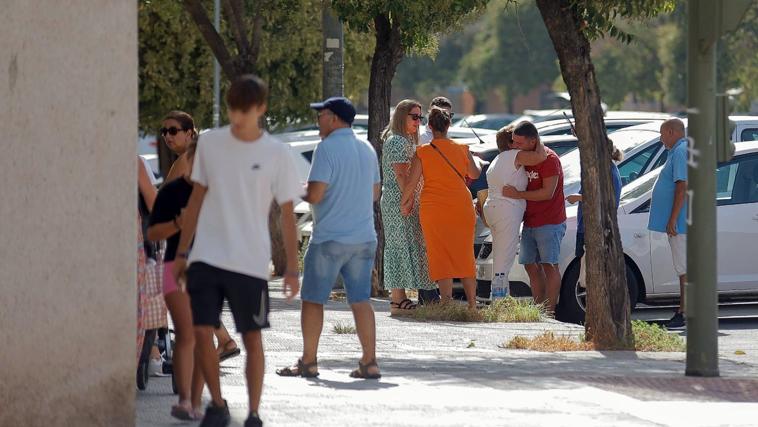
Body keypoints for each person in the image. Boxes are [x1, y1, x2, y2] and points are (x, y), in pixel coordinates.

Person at [173, 74, 302, 427]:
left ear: (260, 109)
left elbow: (288, 215)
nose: (237, 116)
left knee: (252, 338)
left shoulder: (276, 153)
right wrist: (182, 254)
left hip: (250, 262)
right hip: (206, 257)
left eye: (244, 110)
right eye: (233, 109)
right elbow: (197, 198)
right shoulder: (211, 144)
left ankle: (255, 412)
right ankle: (216, 403)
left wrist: (292, 268)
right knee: (202, 331)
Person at [277, 96, 382, 380]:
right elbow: (374, 193)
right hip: (364, 238)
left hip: (329, 239)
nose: (317, 119)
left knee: (313, 300)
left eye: (321, 114)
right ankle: (369, 361)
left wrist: (293, 188)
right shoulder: (367, 147)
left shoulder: (326, 148)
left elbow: (315, 195)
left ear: (334, 118)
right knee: (360, 299)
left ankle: (309, 361)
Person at [160, 111, 240, 362]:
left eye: (173, 131)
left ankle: (215, 342)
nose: (167, 137)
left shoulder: (188, 159)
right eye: (164, 132)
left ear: (190, 133)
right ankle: (223, 340)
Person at [401, 107, 482, 309]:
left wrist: (404, 202)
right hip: (460, 206)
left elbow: (411, 182)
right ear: (449, 125)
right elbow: (475, 174)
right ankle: (472, 304)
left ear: (429, 126)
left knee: (439, 254)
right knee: (464, 253)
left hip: (433, 208)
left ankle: (446, 303)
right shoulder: (463, 148)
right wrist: (477, 160)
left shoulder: (423, 152)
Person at [147, 139, 204, 420]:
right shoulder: (172, 192)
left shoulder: (220, 193)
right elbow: (153, 234)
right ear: (189, 159)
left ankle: (196, 401)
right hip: (175, 267)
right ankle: (185, 400)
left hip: (210, 269)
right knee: (186, 333)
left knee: (201, 335)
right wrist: (177, 225)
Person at [380, 99, 437, 315]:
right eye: (414, 117)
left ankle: (401, 299)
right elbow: (402, 175)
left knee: (406, 246)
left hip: (406, 200)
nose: (418, 121)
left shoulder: (406, 140)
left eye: (420, 117)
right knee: (398, 247)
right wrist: (407, 201)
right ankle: (397, 299)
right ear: (402, 116)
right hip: (398, 201)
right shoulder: (397, 141)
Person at [502, 121, 566, 314]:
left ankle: (550, 312)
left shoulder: (550, 160)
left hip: (550, 221)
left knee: (549, 265)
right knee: (530, 265)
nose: (515, 147)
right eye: (513, 142)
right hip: (529, 221)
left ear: (533, 141)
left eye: (519, 143)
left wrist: (518, 195)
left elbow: (547, 193)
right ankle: (539, 309)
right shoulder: (523, 158)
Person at [483, 126, 546, 287]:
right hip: (507, 211)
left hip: (493, 209)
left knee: (499, 255)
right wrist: (536, 138)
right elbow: (541, 157)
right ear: (511, 144)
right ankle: (498, 298)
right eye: (516, 141)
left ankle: (499, 296)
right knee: (505, 259)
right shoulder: (514, 155)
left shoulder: (497, 159)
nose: (519, 144)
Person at [565, 139, 624, 289]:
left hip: (595, 227)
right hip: (585, 226)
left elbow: (603, 198)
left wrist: (578, 197)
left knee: (592, 274)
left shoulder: (608, 172)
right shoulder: (603, 170)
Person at [648, 118, 688, 329]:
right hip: (680, 221)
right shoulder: (677, 151)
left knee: (684, 269)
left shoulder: (681, 151)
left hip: (681, 222)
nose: (661, 138)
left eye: (663, 134)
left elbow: (682, 186)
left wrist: (672, 218)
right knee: (683, 268)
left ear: (672, 132)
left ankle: (685, 312)